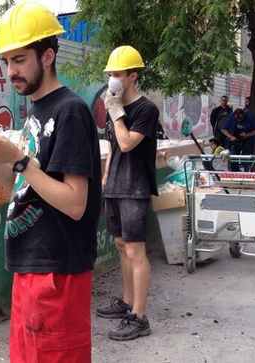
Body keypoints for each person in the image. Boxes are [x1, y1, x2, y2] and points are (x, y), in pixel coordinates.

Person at [0, 3, 101, 361]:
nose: (11, 71)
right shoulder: (37, 110)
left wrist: (20, 160)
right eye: (7, 62)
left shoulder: (70, 111)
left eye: (19, 59)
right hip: (29, 264)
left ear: (47, 56)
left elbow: (76, 204)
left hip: (58, 272)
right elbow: (17, 185)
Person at [96, 45, 158, 341]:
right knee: (121, 244)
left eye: (117, 74)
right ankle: (126, 301)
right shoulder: (115, 105)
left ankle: (140, 316)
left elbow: (127, 143)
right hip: (116, 185)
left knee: (135, 250)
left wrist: (115, 111)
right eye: (110, 74)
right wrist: (107, 176)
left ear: (133, 76)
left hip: (135, 187)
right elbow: (111, 146)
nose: (112, 79)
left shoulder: (146, 109)